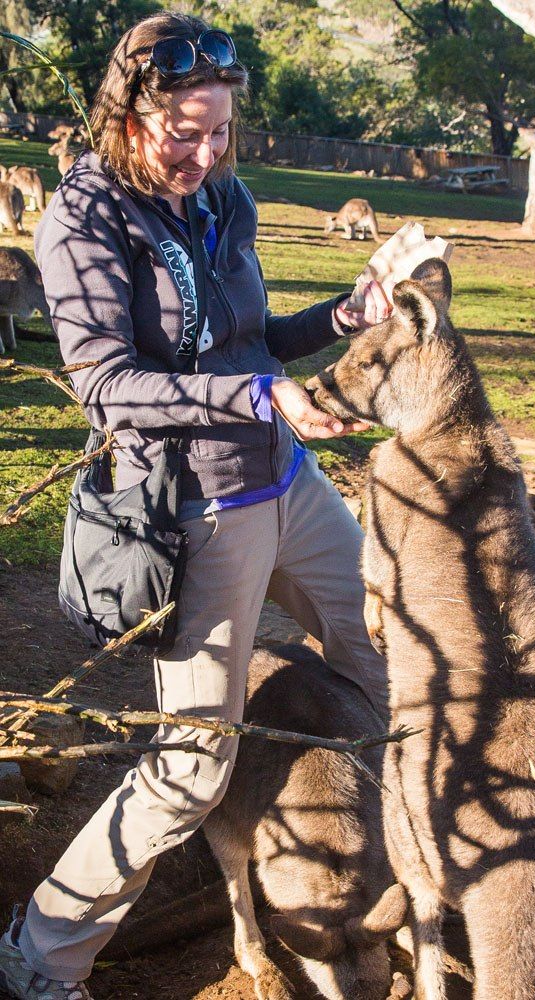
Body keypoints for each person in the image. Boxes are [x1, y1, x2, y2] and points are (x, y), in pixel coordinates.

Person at [0, 12, 391, 1000]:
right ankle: (40, 953)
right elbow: (107, 384)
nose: (207, 153)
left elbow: (250, 339)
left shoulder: (222, 197)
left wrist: (340, 318)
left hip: (289, 483)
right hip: (196, 511)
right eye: (184, 132)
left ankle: (397, 867)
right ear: (127, 116)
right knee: (189, 770)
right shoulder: (83, 218)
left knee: (387, 651)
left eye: (221, 133)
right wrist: (258, 396)